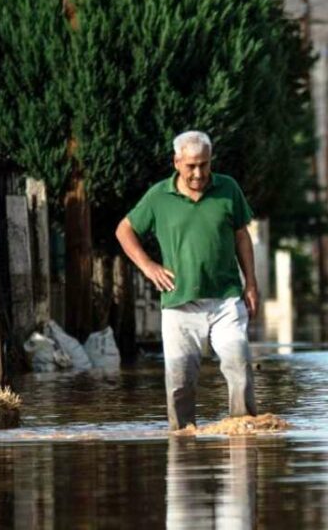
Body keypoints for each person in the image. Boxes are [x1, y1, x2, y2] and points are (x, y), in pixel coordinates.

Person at [116, 130, 258, 430]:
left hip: (226, 299)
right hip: (179, 303)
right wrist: (148, 266)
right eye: (191, 166)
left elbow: (242, 236)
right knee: (179, 382)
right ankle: (182, 440)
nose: (198, 173)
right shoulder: (158, 196)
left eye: (204, 165)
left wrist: (251, 283)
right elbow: (124, 230)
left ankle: (244, 430)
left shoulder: (227, 188)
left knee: (240, 365)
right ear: (177, 162)